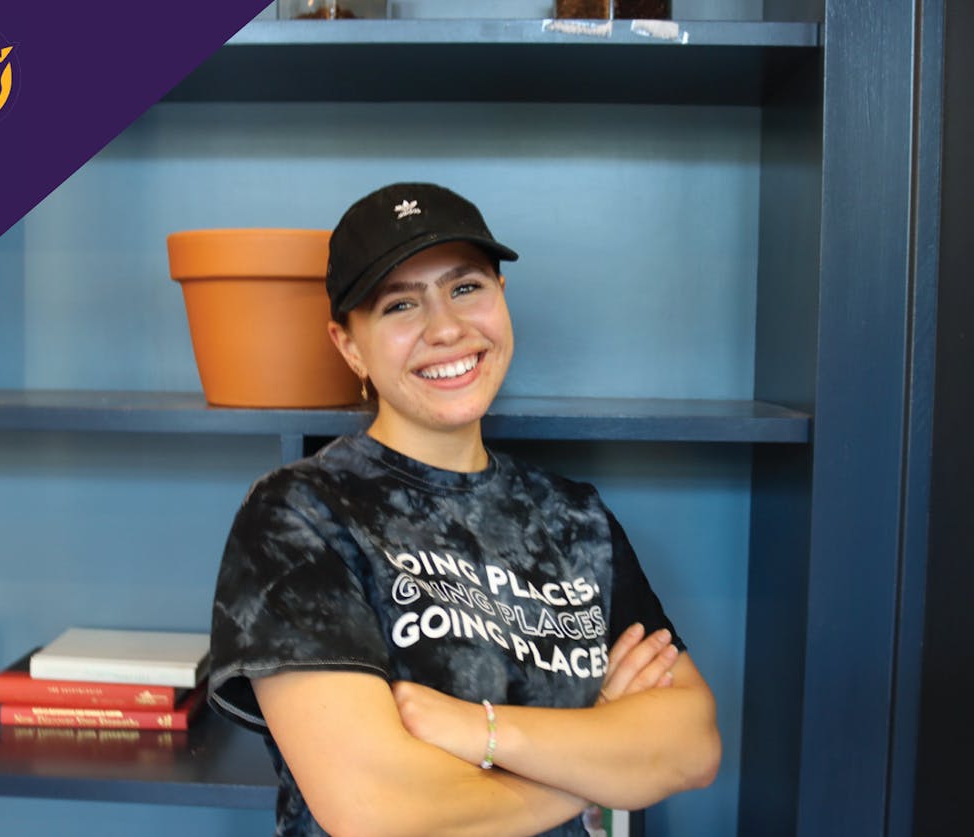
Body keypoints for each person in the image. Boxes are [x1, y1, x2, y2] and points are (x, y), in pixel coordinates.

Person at [208, 182, 721, 837]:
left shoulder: (575, 518)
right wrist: (600, 751)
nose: (446, 328)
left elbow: (692, 743)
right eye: (400, 304)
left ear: (502, 299)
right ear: (349, 345)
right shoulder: (298, 515)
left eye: (466, 287)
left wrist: (478, 731)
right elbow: (375, 807)